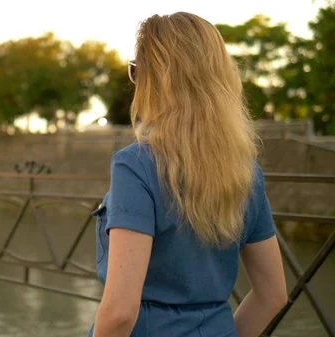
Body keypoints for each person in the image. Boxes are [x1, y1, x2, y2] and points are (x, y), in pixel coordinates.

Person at [89, 12, 288, 337]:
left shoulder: (136, 165)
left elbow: (121, 311)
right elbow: (273, 295)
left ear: (156, 79)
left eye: (136, 71)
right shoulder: (246, 172)